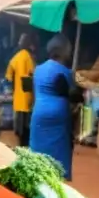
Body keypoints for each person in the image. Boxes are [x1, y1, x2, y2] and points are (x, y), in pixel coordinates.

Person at [31, 35, 82, 180]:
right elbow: (72, 93)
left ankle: (38, 175)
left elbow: (35, 93)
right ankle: (58, 177)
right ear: (65, 51)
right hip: (59, 112)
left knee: (38, 146)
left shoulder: (38, 69)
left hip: (39, 110)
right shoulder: (65, 72)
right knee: (60, 146)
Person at [4, 33, 37, 147]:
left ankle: (20, 142)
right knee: (27, 122)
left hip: (18, 94)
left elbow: (8, 75)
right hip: (27, 92)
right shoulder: (29, 57)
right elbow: (32, 75)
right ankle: (25, 143)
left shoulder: (16, 57)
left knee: (19, 121)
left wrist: (13, 86)